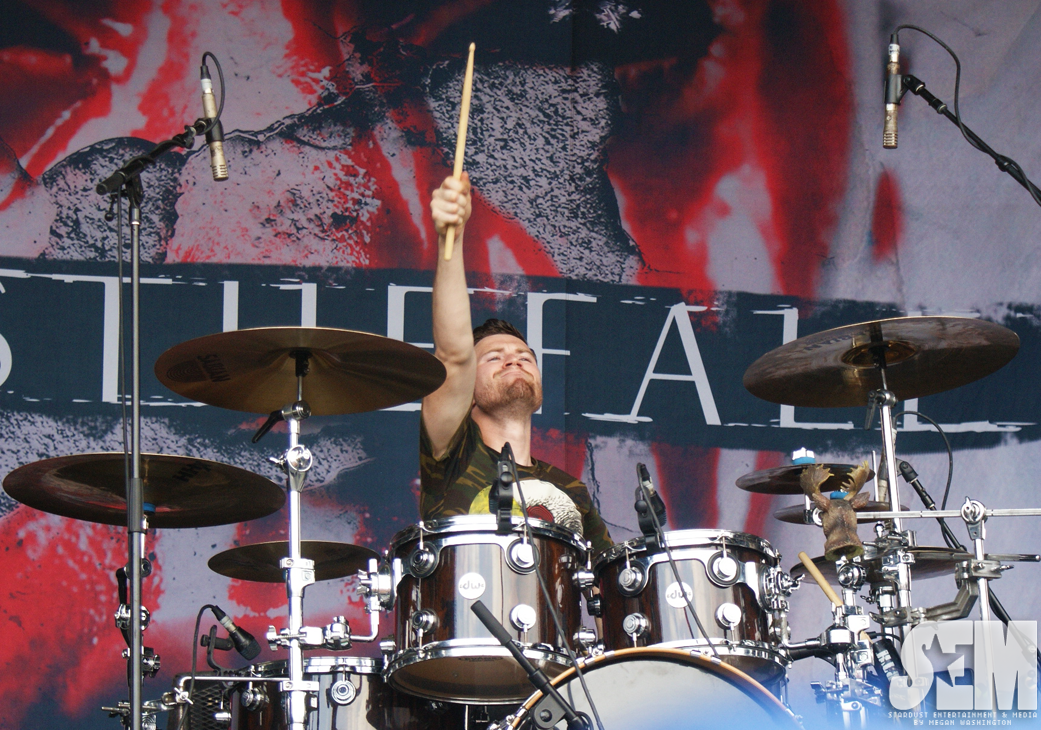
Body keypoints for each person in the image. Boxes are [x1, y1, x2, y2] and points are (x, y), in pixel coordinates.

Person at [420, 173, 612, 553]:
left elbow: (610, 581)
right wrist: (451, 239)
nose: (514, 360)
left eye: (525, 357)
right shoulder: (453, 455)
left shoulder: (570, 491)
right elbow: (454, 356)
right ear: (467, 390)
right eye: (495, 357)